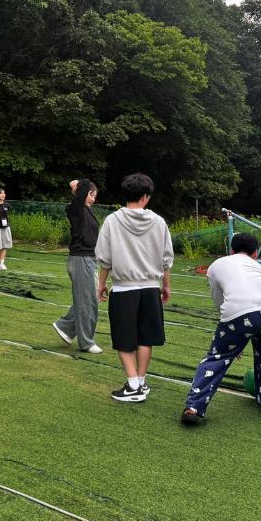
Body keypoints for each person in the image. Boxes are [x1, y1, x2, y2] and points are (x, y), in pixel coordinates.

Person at [181, 232, 261, 426]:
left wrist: (232, 335)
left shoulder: (217, 265)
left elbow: (219, 299)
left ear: (231, 250)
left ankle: (194, 408)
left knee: (217, 358)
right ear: (255, 253)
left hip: (239, 313)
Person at [95, 173, 173, 403]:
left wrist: (101, 283)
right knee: (145, 337)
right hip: (150, 287)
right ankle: (140, 380)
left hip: (123, 288)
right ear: (146, 196)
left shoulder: (112, 221)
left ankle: (133, 385)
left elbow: (105, 258)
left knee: (124, 337)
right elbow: (166, 259)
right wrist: (166, 285)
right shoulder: (159, 222)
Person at [52, 179, 102, 354]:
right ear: (83, 193)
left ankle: (65, 327)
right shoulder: (77, 210)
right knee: (87, 302)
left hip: (88, 259)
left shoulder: (87, 211)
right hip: (81, 259)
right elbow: (78, 187)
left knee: (91, 299)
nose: (93, 199)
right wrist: (80, 185)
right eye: (91, 194)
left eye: (95, 196)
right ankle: (86, 342)